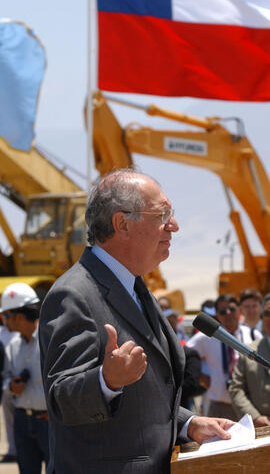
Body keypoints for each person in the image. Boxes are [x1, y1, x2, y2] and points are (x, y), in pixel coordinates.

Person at [39, 168, 234, 474]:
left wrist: (190, 423)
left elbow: (147, 401)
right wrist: (106, 380)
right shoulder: (73, 294)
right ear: (122, 223)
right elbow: (62, 400)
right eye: (162, 215)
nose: (174, 226)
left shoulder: (136, 288)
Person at [186, 293, 262, 420]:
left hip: (251, 405)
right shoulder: (206, 337)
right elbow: (185, 354)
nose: (228, 313)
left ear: (239, 310)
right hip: (220, 407)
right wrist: (198, 376)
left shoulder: (253, 335)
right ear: (217, 315)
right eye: (222, 311)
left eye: (232, 309)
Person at [1, 283, 49, 474]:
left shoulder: (49, 341)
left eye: (6, 316)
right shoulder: (13, 346)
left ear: (19, 317)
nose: (4, 321)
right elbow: (5, 379)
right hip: (22, 421)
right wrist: (12, 387)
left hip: (48, 423)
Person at [229, 296, 270, 427]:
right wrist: (255, 417)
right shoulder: (249, 352)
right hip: (262, 426)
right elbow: (236, 388)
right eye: (268, 313)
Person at [0, 309, 19, 463]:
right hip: (8, 380)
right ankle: (12, 449)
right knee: (9, 419)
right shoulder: (2, 332)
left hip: (26, 381)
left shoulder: (20, 332)